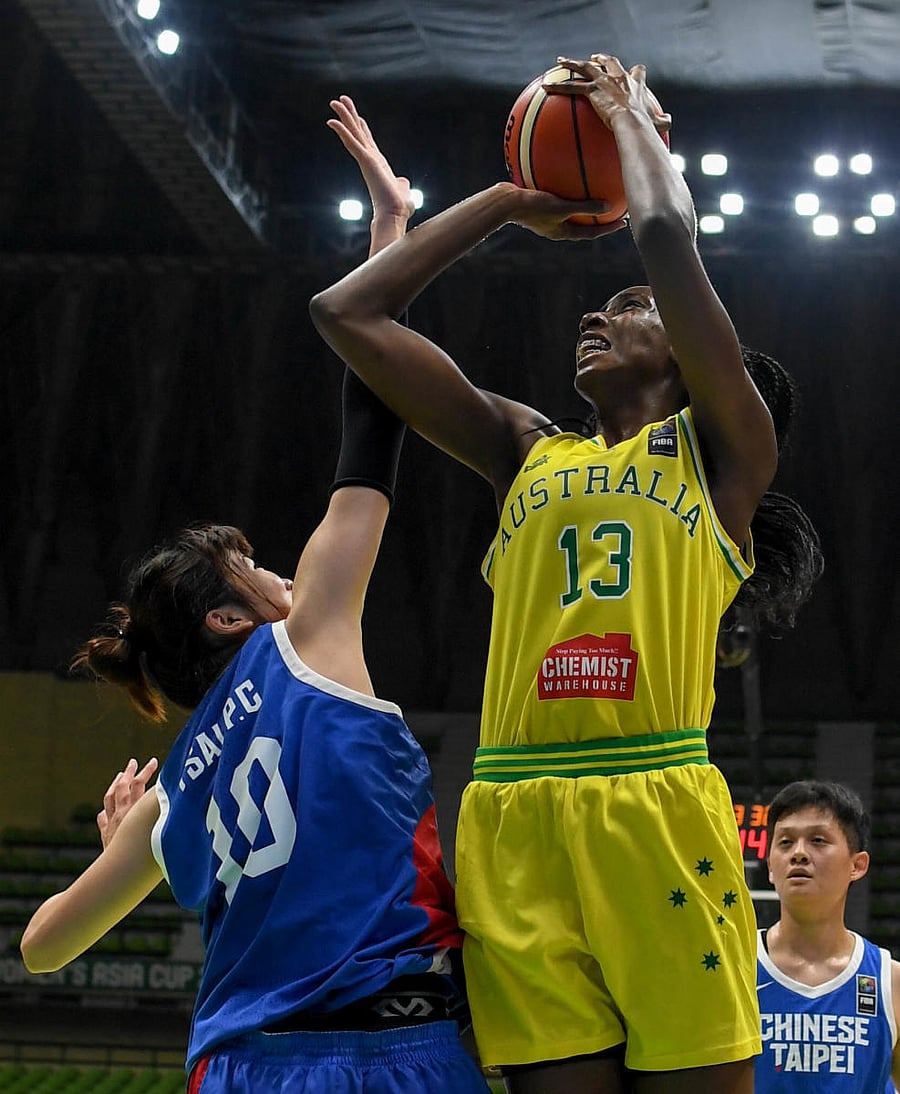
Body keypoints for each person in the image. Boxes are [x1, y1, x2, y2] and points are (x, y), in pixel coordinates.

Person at [309, 54, 823, 1093]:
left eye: (631, 307)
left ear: (684, 353)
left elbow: (669, 236)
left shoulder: (722, 457)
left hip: (655, 796)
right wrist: (509, 199)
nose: (596, 315)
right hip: (511, 808)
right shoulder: (524, 447)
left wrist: (634, 128)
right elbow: (348, 315)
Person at [20, 96, 490, 1094]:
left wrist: (130, 845)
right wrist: (391, 227)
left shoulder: (175, 790)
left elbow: (43, 943)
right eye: (255, 566)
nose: (284, 569)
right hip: (383, 1049)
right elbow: (375, 409)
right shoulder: (307, 635)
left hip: (235, 1066)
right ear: (231, 615)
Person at [757, 780, 900, 1092]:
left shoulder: (891, 982)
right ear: (770, 867)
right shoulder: (733, 969)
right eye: (785, 842)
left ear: (857, 865)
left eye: (818, 840)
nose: (798, 854)